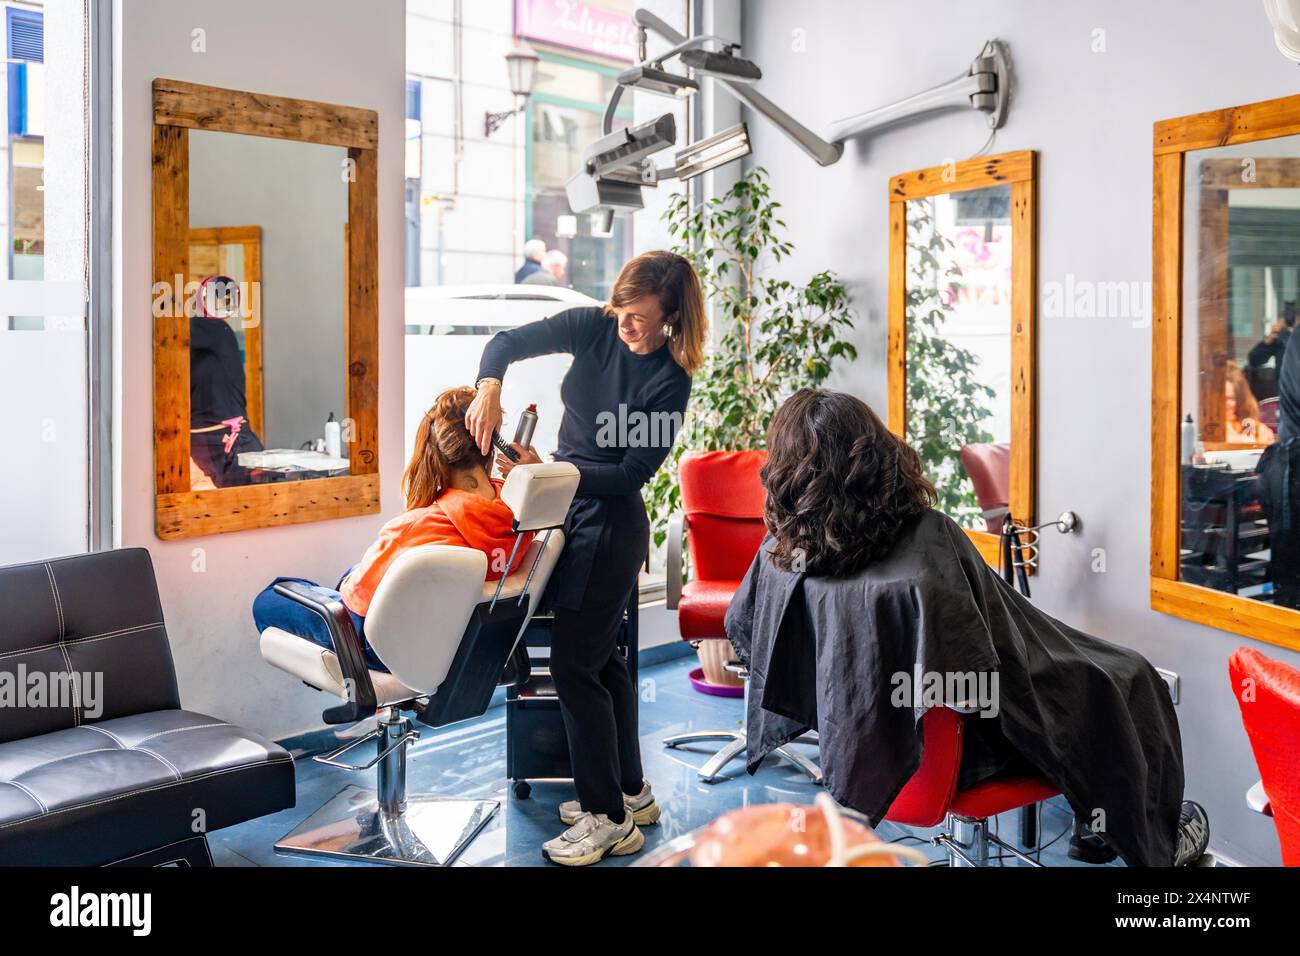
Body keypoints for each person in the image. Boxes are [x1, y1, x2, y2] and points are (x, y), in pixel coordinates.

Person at [725, 388, 1212, 867]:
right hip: (966, 750)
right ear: (874, 455)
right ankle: (1152, 844)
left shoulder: (784, 551)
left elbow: (743, 628)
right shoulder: (926, 535)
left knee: (1100, 674)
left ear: (789, 472)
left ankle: (1097, 828)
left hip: (862, 736)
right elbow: (976, 688)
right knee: (1131, 675)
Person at [466, 249, 706, 865]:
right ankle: (630, 791)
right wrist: (490, 384)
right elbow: (507, 340)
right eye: (622, 311)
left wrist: (552, 470)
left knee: (575, 666)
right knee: (605, 664)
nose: (624, 324)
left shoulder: (668, 382)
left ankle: (607, 819)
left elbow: (628, 474)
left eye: (639, 317)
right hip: (567, 514)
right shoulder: (592, 325)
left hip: (612, 526)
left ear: (672, 314)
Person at [252, 386, 533, 671]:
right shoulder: (518, 517)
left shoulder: (415, 528)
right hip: (452, 647)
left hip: (384, 649)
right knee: (350, 572)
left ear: (435, 451)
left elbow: (356, 600)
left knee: (272, 595)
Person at [189, 275, 264, 487]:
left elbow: (164, 332)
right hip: (218, 441)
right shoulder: (217, 334)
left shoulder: (215, 331)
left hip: (230, 441)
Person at [1225, 361, 1275, 444]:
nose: (1224, 403)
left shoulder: (1259, 430)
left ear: (1240, 399)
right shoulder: (1206, 430)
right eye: (1220, 398)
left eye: (1231, 398)